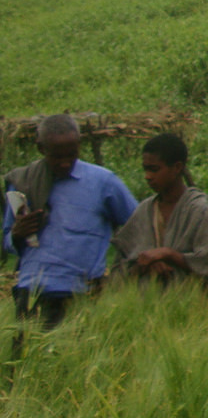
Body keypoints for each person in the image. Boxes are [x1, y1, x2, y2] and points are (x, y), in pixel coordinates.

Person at [3, 114, 138, 331]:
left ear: (79, 145)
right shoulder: (23, 182)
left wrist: (121, 272)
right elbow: (7, 241)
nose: (65, 162)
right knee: (26, 363)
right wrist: (17, 234)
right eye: (57, 156)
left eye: (72, 154)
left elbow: (138, 225)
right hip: (31, 293)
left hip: (80, 295)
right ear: (41, 148)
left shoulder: (103, 182)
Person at [110, 133, 208, 285]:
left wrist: (169, 254)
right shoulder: (144, 210)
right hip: (146, 303)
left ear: (177, 167)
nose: (148, 176)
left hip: (192, 303)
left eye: (154, 169)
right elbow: (121, 268)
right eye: (145, 169)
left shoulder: (198, 211)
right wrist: (147, 264)